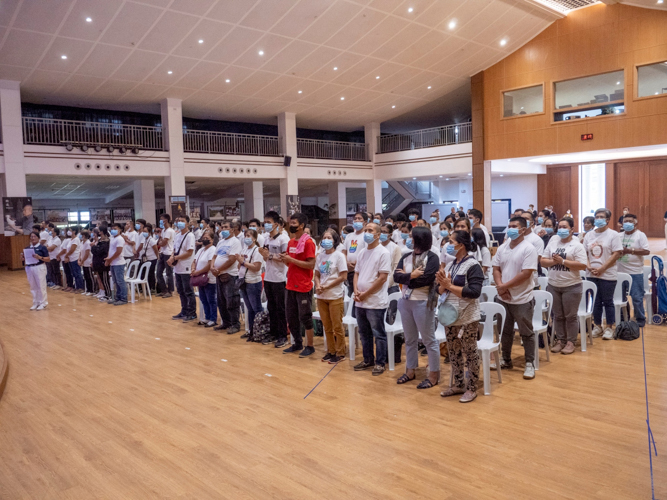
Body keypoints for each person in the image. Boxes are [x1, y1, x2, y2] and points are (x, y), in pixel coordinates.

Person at [436, 230, 485, 402]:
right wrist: (442, 284)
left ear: (461, 245)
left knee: (469, 352)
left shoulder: (473, 266)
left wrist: (448, 286)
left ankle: (471, 387)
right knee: (454, 351)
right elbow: (439, 291)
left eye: (451, 242)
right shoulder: (450, 265)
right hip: (450, 315)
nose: (447, 245)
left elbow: (474, 292)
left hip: (467, 317)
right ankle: (458, 384)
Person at [491, 216, 539, 379]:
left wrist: (504, 286)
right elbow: (496, 268)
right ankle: (506, 358)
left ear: (523, 230)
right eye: (509, 225)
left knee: (526, 332)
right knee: (505, 331)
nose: (510, 228)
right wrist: (500, 286)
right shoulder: (503, 247)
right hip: (503, 297)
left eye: (514, 226)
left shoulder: (528, 248)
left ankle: (529, 363)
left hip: (522, 298)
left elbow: (526, 273)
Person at [393, 226, 440, 388]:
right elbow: (395, 276)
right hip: (406, 301)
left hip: (423, 302)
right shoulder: (406, 256)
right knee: (410, 339)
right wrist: (411, 276)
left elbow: (426, 279)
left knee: (428, 340)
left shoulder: (432, 258)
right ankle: (410, 370)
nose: (408, 239)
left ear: (419, 239)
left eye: (412, 237)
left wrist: (406, 278)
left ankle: (434, 374)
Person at [541, 218, 588, 355]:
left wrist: (562, 261)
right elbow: (543, 261)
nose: (561, 229)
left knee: (570, 316)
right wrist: (554, 262)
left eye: (565, 227)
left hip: (571, 286)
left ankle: (571, 342)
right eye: (559, 226)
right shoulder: (553, 242)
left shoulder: (577, 245)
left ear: (571, 229)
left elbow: (582, 265)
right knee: (558, 315)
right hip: (554, 285)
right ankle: (560, 340)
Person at [353, 221, 391, 376]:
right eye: (366, 230)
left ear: (378, 235)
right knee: (364, 332)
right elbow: (356, 273)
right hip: (360, 300)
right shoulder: (362, 252)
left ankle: (380, 363)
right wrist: (355, 290)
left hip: (374, 301)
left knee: (378, 333)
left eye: (370, 230)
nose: (367, 232)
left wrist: (366, 293)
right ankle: (368, 359)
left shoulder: (383, 253)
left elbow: (382, 278)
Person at [280, 213, 316, 357]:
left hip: (303, 285)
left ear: (301, 225)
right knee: (291, 316)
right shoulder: (290, 242)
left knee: (305, 317)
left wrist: (292, 260)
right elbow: (289, 263)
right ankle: (297, 343)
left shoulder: (308, 243)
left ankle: (310, 346)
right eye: (290, 223)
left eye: (294, 223)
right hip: (290, 284)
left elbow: (311, 265)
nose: (291, 225)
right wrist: (284, 259)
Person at [584, 208, 623, 340]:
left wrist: (602, 268)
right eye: (596, 217)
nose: (598, 219)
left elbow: (616, 254)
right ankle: (597, 326)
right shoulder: (589, 235)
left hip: (607, 274)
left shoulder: (613, 235)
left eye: (601, 217)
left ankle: (609, 327)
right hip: (591, 274)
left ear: (607, 220)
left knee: (608, 301)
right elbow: (584, 253)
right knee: (595, 302)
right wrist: (589, 267)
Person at [314, 229, 348, 363]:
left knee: (337, 326)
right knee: (326, 326)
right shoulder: (320, 256)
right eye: (324, 237)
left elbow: (343, 276)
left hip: (334, 295)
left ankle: (340, 353)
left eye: (329, 238)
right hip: (322, 296)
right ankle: (331, 350)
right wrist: (318, 285)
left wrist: (327, 286)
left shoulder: (339, 256)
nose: (326, 240)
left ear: (334, 241)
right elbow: (317, 274)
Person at [258, 211, 290, 348]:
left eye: (269, 222)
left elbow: (284, 259)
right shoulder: (267, 239)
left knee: (280, 308)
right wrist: (264, 255)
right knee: (271, 307)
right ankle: (273, 333)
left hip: (280, 278)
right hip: (269, 277)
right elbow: (265, 257)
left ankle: (283, 335)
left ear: (276, 224)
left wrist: (269, 255)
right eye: (265, 222)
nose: (266, 225)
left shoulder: (283, 239)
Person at [617, 213, 650, 328]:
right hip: (619, 272)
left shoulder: (640, 235)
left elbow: (646, 251)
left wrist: (630, 250)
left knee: (637, 297)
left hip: (635, 272)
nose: (627, 223)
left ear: (636, 223)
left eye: (630, 221)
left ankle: (640, 318)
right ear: (622, 223)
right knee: (620, 298)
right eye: (625, 221)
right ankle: (623, 318)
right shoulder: (618, 236)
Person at [211, 221, 243, 334]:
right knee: (221, 301)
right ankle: (226, 322)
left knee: (232, 301)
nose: (223, 229)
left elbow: (231, 259)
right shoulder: (220, 242)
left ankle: (235, 324)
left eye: (226, 227)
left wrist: (219, 269)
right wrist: (212, 267)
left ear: (232, 229)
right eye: (222, 227)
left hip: (230, 275)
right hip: (218, 275)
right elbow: (214, 256)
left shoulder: (235, 242)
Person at [237, 229, 264, 340]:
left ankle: (260, 331)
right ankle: (251, 331)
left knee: (256, 308)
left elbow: (256, 267)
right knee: (249, 308)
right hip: (244, 281)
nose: (246, 238)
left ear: (254, 238)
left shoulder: (257, 250)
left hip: (253, 282)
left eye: (248, 236)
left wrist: (243, 262)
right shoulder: (244, 249)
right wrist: (240, 262)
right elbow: (240, 266)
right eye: (245, 235)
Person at [169, 216, 197, 322]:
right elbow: (175, 249)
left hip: (186, 266)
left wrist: (175, 257)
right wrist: (172, 257)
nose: (180, 223)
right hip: (177, 267)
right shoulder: (177, 235)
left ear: (187, 223)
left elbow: (189, 252)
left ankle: (192, 312)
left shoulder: (190, 236)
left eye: (182, 221)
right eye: (178, 221)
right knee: (180, 291)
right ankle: (184, 310)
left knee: (188, 291)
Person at [191, 231, 217, 327]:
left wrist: (198, 271)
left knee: (211, 299)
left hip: (209, 278)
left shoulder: (213, 249)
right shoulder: (201, 250)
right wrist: (193, 269)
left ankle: (213, 319)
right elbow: (194, 261)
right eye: (204, 238)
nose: (205, 240)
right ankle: (207, 317)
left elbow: (210, 264)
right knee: (203, 299)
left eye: (208, 238)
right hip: (200, 278)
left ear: (212, 240)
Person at [342, 212, 368, 299]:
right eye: (355, 218)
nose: (357, 220)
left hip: (360, 270)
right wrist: (347, 262)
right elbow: (344, 252)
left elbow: (367, 253)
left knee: (358, 294)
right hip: (349, 269)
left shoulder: (366, 236)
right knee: (350, 294)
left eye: (359, 219)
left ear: (365, 222)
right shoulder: (349, 236)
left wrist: (356, 264)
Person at [23, 232, 50, 310]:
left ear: (38, 238)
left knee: (41, 285)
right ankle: (36, 302)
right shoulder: (27, 248)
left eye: (34, 236)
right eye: (31, 236)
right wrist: (23, 259)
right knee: (33, 286)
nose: (33, 238)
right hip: (30, 267)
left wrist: (40, 257)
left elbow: (48, 259)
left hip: (39, 267)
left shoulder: (42, 247)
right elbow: (26, 259)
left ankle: (43, 302)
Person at [105, 223, 127, 305]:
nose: (113, 230)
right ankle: (117, 298)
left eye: (115, 228)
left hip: (119, 263)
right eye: (112, 228)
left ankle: (124, 298)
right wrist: (108, 259)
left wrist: (110, 259)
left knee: (120, 281)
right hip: (113, 263)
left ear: (120, 230)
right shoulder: (112, 238)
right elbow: (110, 250)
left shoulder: (120, 239)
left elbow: (118, 251)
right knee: (115, 281)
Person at [156, 214, 175, 298]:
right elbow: (159, 242)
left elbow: (163, 243)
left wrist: (161, 242)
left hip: (168, 253)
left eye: (161, 219)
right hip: (163, 253)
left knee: (169, 273)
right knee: (159, 273)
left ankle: (170, 291)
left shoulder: (170, 231)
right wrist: (161, 241)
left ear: (166, 220)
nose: (160, 221)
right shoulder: (163, 230)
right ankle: (164, 290)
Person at [91, 227, 111, 301]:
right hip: (98, 263)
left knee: (105, 280)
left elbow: (99, 251)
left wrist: (93, 247)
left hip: (103, 263)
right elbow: (94, 251)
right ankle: (105, 293)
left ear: (102, 232)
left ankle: (109, 295)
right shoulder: (99, 241)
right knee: (101, 279)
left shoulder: (106, 241)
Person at [64, 226, 84, 293]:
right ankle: (76, 287)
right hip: (71, 259)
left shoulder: (76, 239)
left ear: (74, 231)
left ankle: (80, 287)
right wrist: (67, 256)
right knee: (74, 274)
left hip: (75, 258)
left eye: (70, 230)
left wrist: (66, 256)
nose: (68, 232)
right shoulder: (70, 240)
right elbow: (68, 249)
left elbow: (72, 250)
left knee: (78, 273)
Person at [140, 223, 159, 293]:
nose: (144, 233)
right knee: (146, 274)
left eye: (146, 232)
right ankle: (148, 287)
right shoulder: (145, 240)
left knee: (151, 274)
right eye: (143, 231)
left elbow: (156, 250)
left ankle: (152, 287)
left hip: (152, 259)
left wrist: (158, 257)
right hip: (146, 259)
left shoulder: (152, 240)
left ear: (149, 232)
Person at [79, 229, 96, 296]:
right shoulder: (81, 243)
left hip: (88, 262)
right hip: (83, 262)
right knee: (86, 276)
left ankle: (92, 290)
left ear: (84, 236)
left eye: (81, 235)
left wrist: (82, 261)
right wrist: (79, 260)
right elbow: (80, 252)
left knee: (90, 277)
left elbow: (87, 253)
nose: (80, 236)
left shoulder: (88, 243)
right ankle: (88, 289)